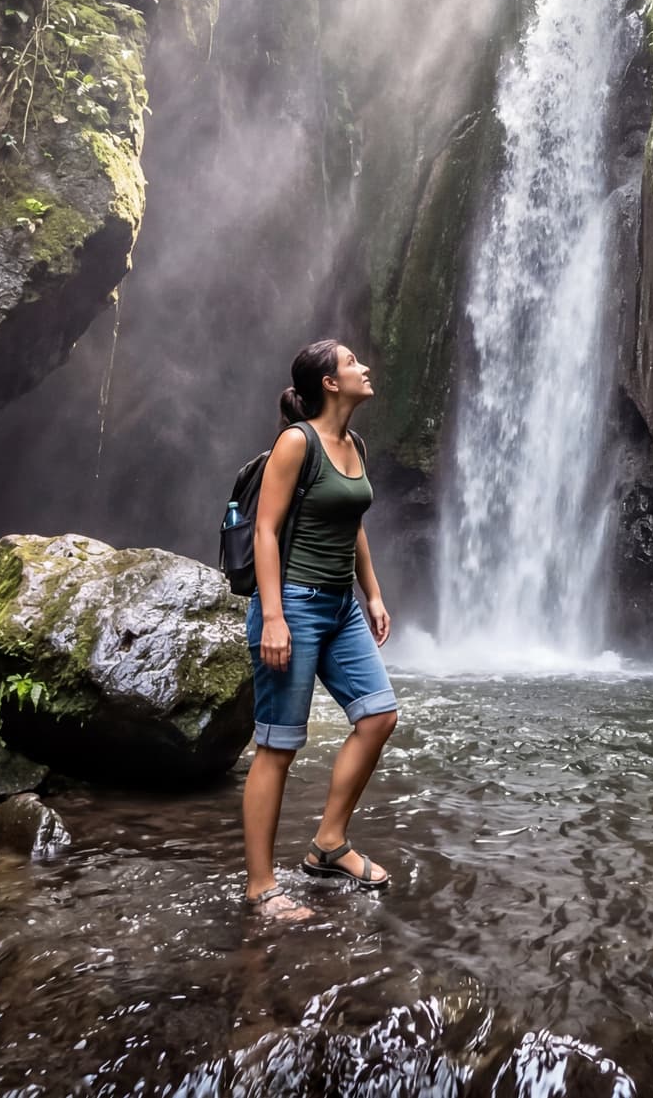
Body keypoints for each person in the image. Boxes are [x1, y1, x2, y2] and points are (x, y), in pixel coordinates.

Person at [242, 339, 398, 921]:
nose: (363, 368)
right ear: (329, 383)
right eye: (352, 362)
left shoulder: (353, 444)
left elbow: (350, 521)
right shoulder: (295, 443)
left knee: (379, 716)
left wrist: (374, 593)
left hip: (341, 608)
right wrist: (275, 616)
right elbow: (265, 531)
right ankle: (261, 887)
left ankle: (328, 844)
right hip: (296, 605)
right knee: (278, 746)